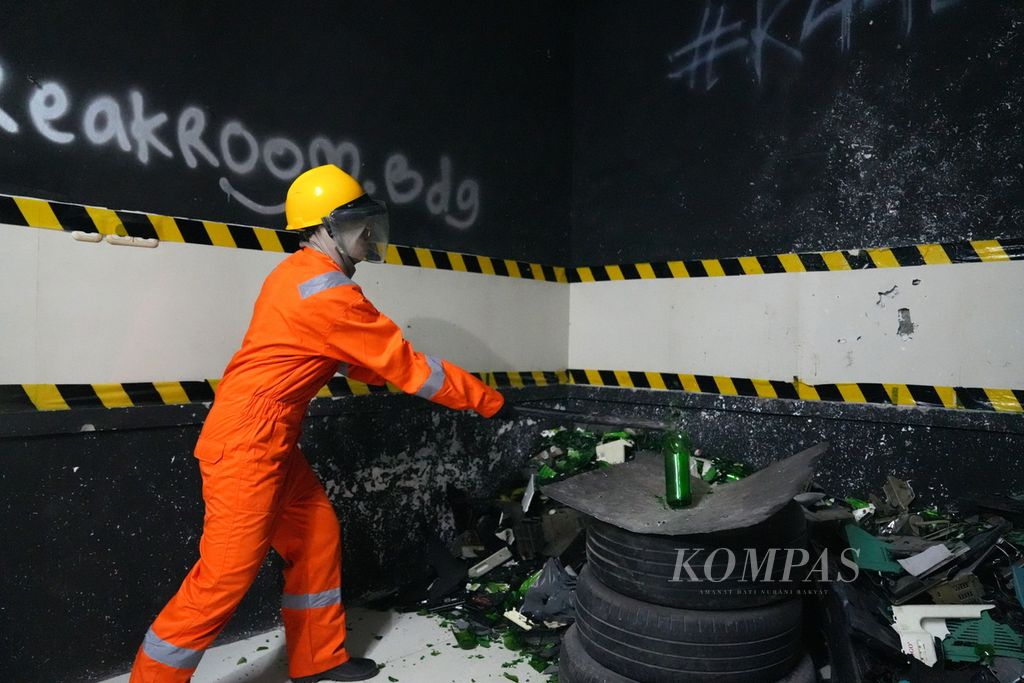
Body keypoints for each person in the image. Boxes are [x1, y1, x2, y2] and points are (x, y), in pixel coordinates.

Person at [129, 164, 507, 682]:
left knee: (315, 535)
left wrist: (370, 369)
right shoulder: (328, 293)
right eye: (356, 224)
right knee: (222, 581)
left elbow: (332, 349)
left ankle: (317, 660)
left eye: (368, 221)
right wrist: (489, 403)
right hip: (248, 442)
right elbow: (412, 368)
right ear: (324, 228)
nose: (368, 234)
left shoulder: (300, 276)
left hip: (269, 434)